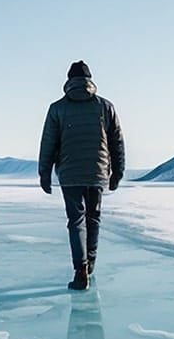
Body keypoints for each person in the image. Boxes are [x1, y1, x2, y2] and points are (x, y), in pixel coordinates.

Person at [38, 60, 126, 290]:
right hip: (97, 172)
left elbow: (48, 142)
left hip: (69, 173)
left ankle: (81, 269)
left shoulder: (57, 108)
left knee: (76, 220)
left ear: (69, 82)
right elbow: (117, 142)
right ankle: (91, 262)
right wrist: (118, 172)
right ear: (90, 80)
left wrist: (44, 173)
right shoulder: (105, 107)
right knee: (93, 218)